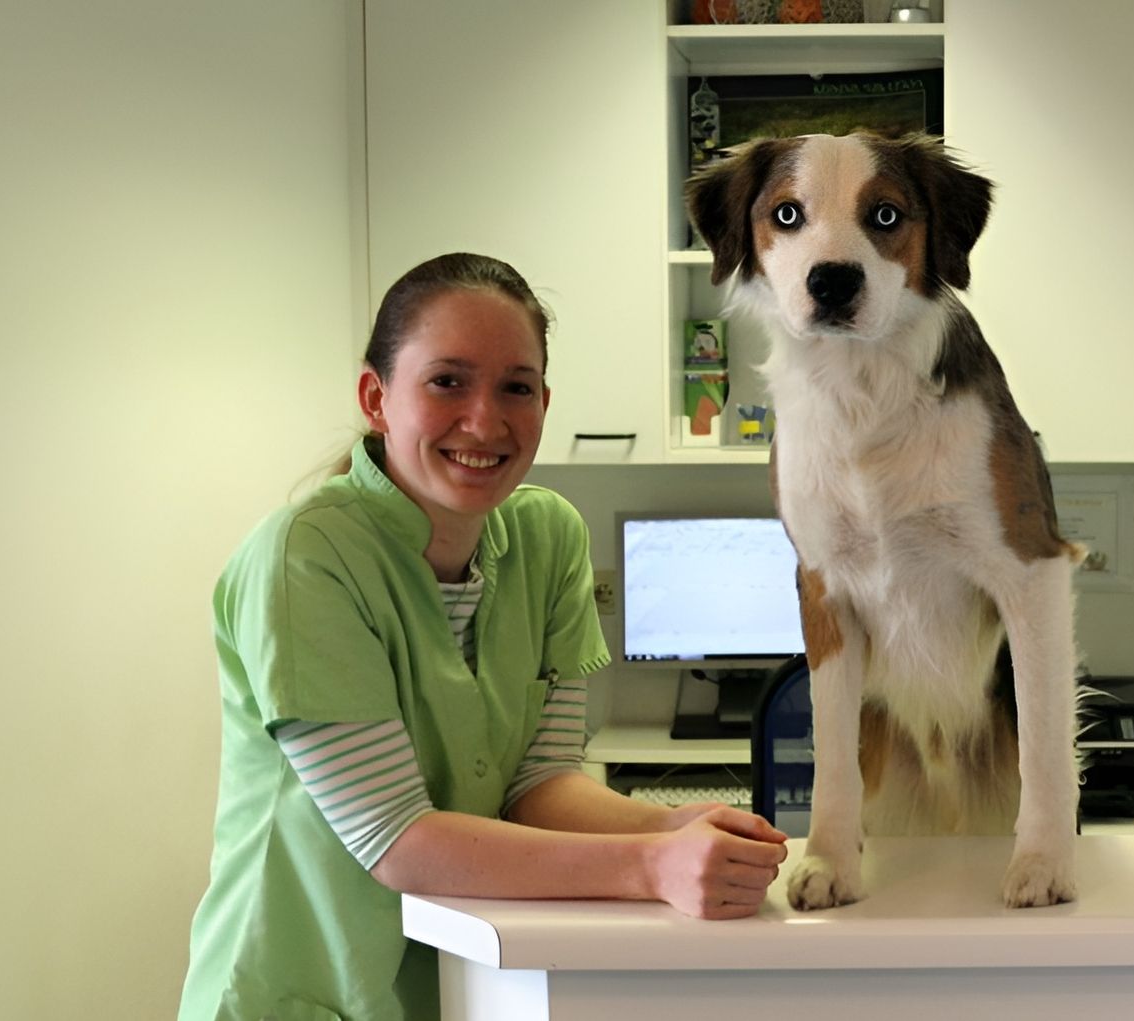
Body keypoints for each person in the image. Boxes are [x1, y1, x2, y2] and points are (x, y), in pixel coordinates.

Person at [179, 253, 788, 1020]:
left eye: (515, 387)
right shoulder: (305, 555)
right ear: (376, 396)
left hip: (456, 987)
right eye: (447, 381)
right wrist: (650, 862)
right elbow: (399, 839)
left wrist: (676, 822)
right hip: (298, 989)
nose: (485, 420)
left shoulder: (550, 536)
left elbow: (541, 784)